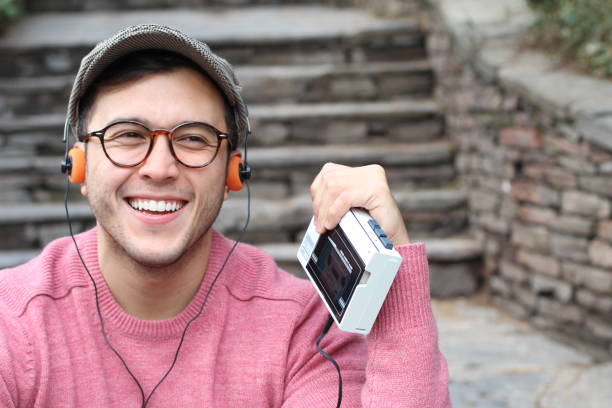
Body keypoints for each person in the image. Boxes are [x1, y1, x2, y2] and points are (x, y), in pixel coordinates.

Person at [0, 24, 450, 407]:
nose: (159, 168)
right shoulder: (11, 322)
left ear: (233, 173)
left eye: (194, 140)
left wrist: (396, 282)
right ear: (79, 165)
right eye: (128, 135)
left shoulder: (304, 331)